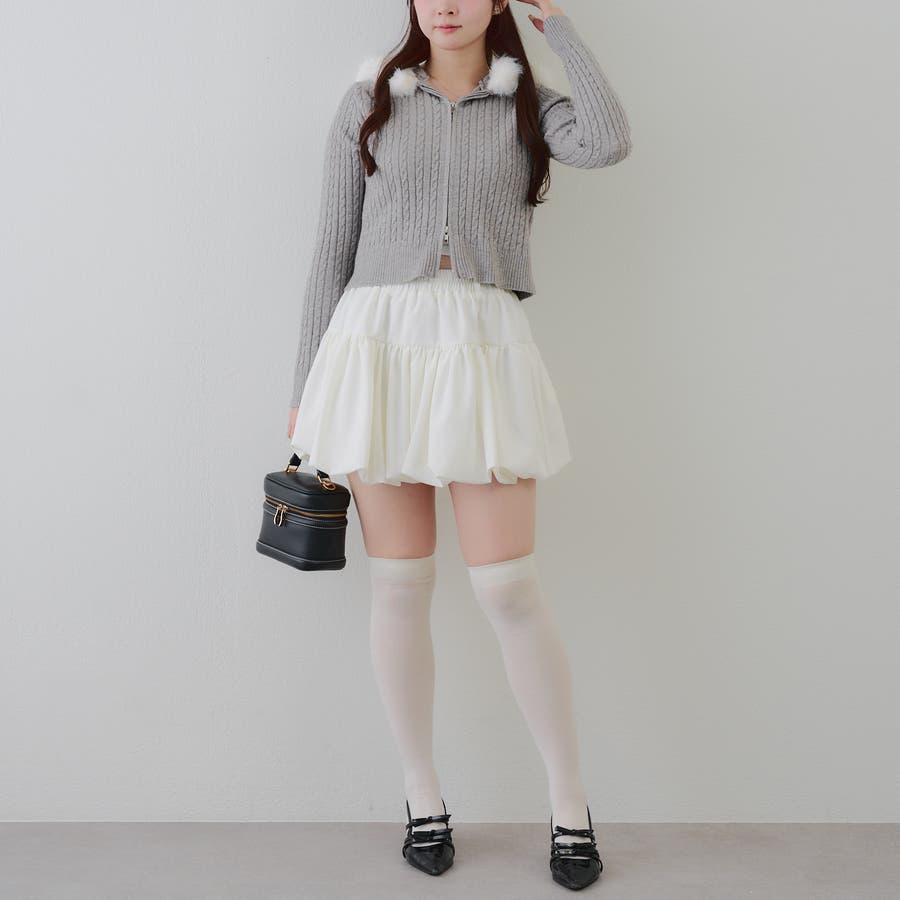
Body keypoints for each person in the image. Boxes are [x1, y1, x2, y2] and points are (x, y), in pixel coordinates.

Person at [285, 0, 631, 889]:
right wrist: (307, 392)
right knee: (400, 586)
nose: (445, 3)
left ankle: (569, 803)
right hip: (374, 350)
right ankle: (422, 795)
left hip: (482, 346)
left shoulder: (528, 104)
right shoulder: (369, 98)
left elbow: (607, 142)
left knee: (508, 585)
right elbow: (330, 248)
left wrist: (562, 30)